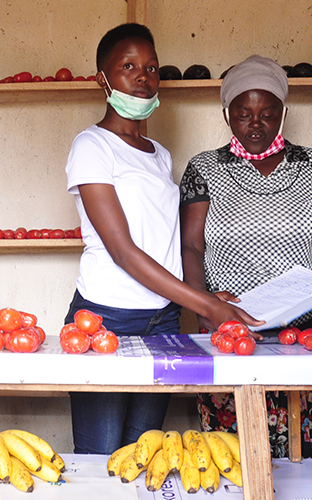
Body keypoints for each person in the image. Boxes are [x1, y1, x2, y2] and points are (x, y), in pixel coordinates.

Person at [64, 24, 259, 456]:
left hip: (163, 322)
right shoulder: (91, 146)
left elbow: (166, 241)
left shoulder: (160, 154)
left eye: (151, 67)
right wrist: (204, 304)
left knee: (144, 455)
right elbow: (123, 251)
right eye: (128, 66)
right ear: (103, 78)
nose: (143, 76)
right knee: (102, 460)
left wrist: (203, 296)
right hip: (106, 319)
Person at [179, 54, 312, 458]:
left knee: (307, 459)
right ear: (227, 115)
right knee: (234, 459)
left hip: (307, 332)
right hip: (230, 327)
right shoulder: (204, 168)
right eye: (244, 113)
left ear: (284, 112)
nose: (256, 124)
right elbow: (191, 246)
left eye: (267, 113)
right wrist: (202, 304)